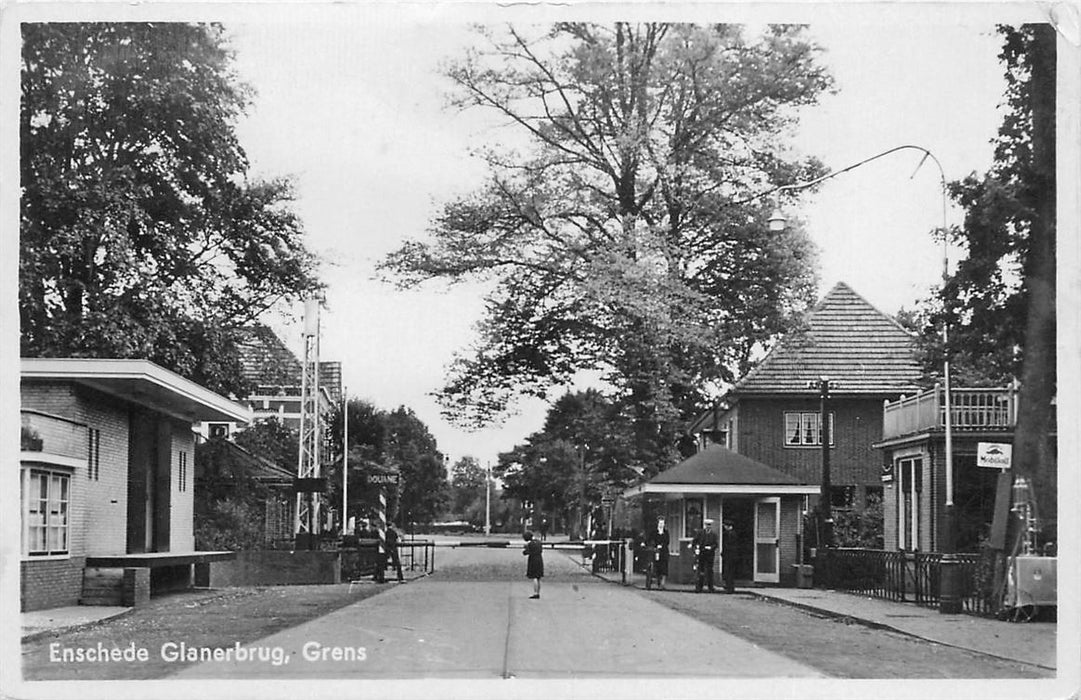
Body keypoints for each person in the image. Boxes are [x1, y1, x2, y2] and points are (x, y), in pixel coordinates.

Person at [692, 518, 719, 593]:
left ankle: (710, 587)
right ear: (705, 525)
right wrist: (696, 548)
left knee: (710, 570)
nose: (708, 527)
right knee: (701, 570)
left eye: (709, 525)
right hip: (702, 553)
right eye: (707, 525)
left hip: (710, 554)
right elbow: (695, 541)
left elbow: (716, 544)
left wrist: (711, 547)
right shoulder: (700, 533)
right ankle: (699, 587)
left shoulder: (713, 534)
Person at [647, 516, 671, 589]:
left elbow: (667, 541)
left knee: (664, 567)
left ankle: (662, 583)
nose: (661, 524)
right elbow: (649, 540)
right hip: (656, 552)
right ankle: (658, 581)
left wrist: (662, 545)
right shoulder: (654, 532)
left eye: (662, 523)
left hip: (664, 552)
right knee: (657, 566)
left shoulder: (666, 532)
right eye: (660, 523)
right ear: (657, 524)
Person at [523, 530, 543, 598]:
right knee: (538, 577)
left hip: (533, 560)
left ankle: (535, 593)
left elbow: (525, 552)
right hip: (539, 559)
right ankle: (538, 592)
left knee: (534, 577)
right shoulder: (538, 542)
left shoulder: (530, 544)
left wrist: (525, 548)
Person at [721, 519, 737, 593]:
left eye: (725, 526)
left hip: (730, 555)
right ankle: (729, 586)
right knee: (729, 571)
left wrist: (724, 553)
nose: (724, 527)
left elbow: (728, 546)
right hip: (730, 555)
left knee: (729, 571)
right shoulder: (732, 533)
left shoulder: (730, 534)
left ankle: (729, 587)